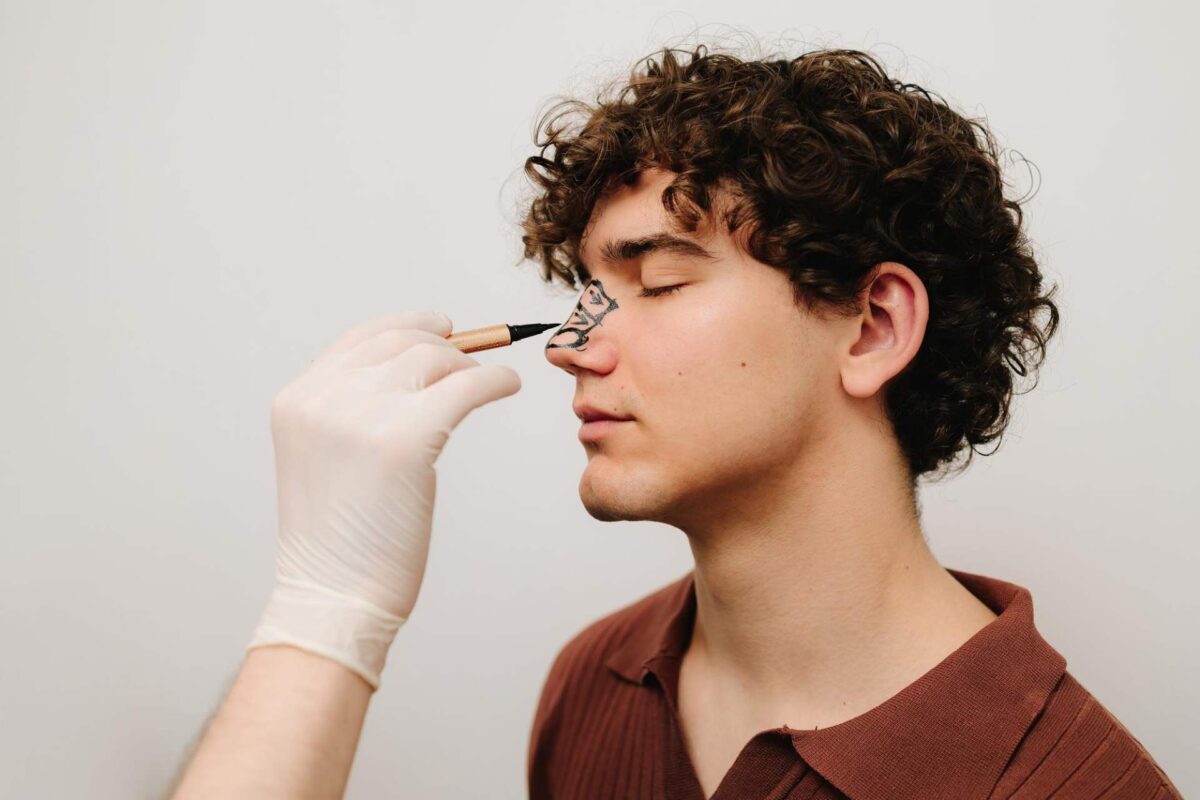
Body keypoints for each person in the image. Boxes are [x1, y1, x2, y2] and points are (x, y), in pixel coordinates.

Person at [168, 44, 1182, 799]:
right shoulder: (595, 680)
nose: (569, 344)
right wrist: (324, 609)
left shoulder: (1077, 784)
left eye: (655, 281)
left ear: (871, 326)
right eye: (585, 288)